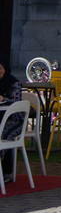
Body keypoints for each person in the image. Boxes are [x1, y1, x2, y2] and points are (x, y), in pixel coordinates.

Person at [0, 56, 24, 184]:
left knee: (3, 135)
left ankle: (6, 172)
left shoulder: (13, 83)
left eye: (0, 69)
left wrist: (3, 100)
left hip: (14, 120)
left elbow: (16, 103)